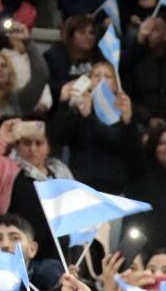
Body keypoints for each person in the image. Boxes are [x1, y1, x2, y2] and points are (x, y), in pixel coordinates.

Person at [0, 117, 72, 258]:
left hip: (56, 253)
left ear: (48, 147)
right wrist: (0, 139)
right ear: (17, 146)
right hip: (10, 252)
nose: (33, 148)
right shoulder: (6, 167)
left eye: (39, 143)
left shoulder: (60, 171)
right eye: (27, 143)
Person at [49, 61, 135, 197]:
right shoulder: (77, 110)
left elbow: (118, 141)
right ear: (89, 81)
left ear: (116, 83)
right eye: (96, 75)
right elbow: (57, 137)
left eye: (108, 76)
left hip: (113, 190)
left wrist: (89, 117)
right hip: (81, 190)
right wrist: (64, 102)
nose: (102, 79)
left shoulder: (123, 111)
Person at [44, 14, 101, 109]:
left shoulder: (97, 54)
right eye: (82, 32)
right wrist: (69, 86)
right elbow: (47, 86)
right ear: (70, 35)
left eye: (91, 33)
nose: (88, 36)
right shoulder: (53, 56)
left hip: (93, 105)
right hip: (62, 107)